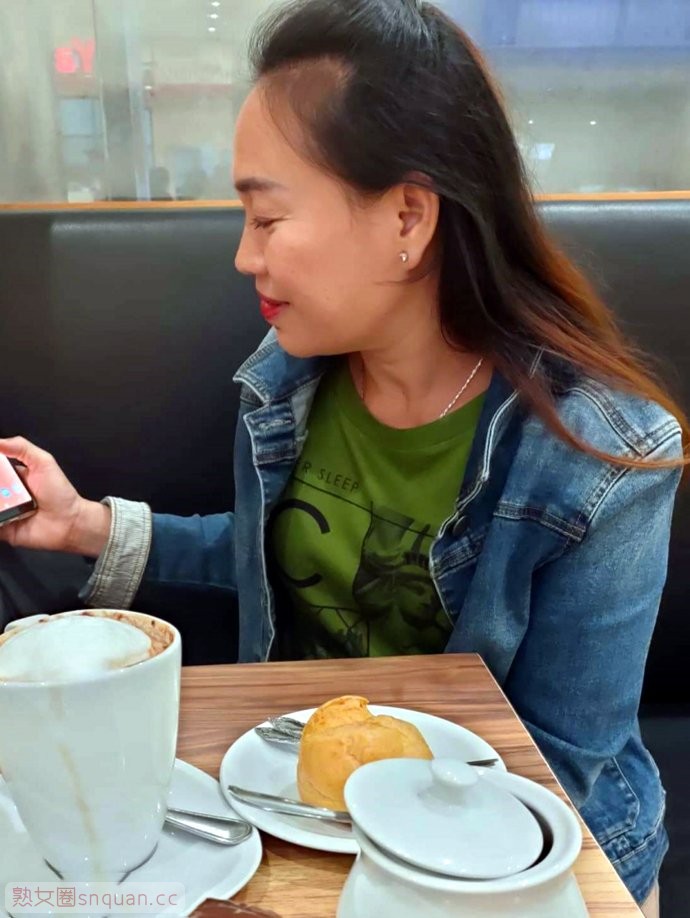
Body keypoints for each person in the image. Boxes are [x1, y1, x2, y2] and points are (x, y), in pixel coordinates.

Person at [0, 1, 685, 912]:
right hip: (298, 814)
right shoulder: (287, 383)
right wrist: (85, 525)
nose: (243, 256)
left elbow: (559, 765)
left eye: (266, 216)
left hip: (519, 846)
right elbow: (276, 553)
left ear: (408, 216)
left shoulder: (602, 459)